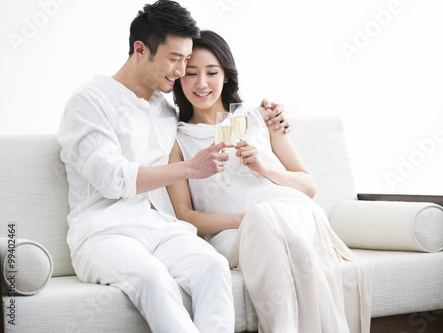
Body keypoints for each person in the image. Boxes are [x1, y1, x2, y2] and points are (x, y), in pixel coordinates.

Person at [57, 2, 287, 333]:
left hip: (159, 228)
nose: (181, 71)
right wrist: (189, 169)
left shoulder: (163, 111)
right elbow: (112, 179)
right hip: (103, 233)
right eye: (175, 58)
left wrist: (268, 113)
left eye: (185, 59)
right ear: (141, 49)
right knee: (153, 278)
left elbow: (214, 112)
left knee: (212, 266)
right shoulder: (90, 101)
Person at [168, 30, 374, 333]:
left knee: (272, 221)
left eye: (211, 72)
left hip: (295, 215)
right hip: (237, 236)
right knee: (265, 220)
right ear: (178, 79)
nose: (201, 83)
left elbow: (308, 186)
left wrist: (263, 169)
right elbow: (186, 217)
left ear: (226, 76)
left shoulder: (261, 117)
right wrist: (247, 219)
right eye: (190, 73)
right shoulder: (177, 139)